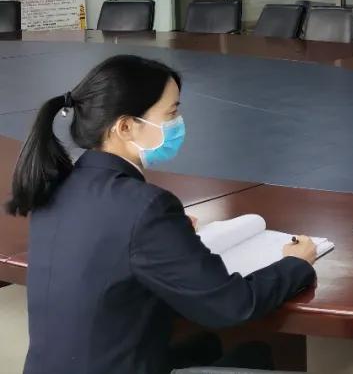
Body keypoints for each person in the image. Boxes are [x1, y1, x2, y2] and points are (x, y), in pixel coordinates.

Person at [7, 54, 317, 374]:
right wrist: (295, 264)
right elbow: (231, 305)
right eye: (171, 113)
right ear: (125, 127)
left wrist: (168, 236)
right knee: (254, 353)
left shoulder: (55, 186)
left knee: (205, 345)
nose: (178, 122)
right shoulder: (145, 206)